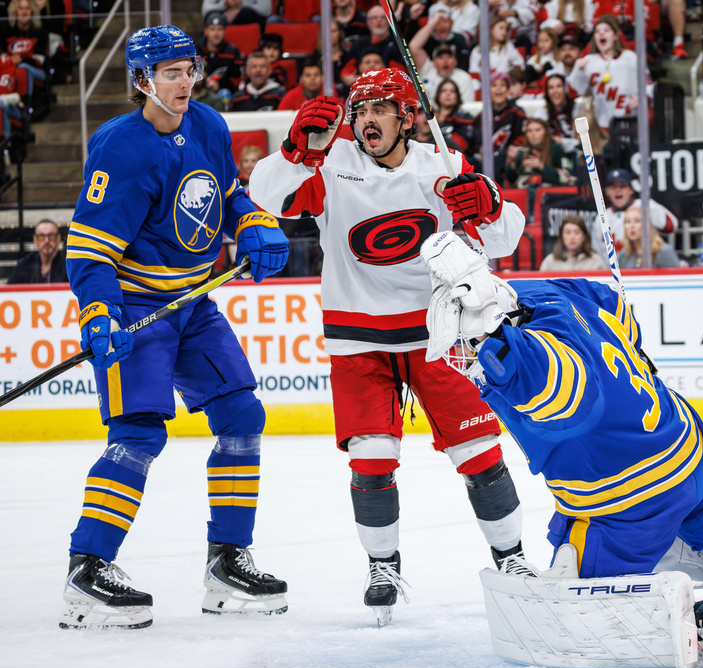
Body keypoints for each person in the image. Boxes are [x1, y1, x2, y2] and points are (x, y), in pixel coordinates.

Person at [418, 232, 703, 668]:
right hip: (692, 454)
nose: (461, 357)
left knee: (581, 615)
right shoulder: (545, 291)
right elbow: (615, 307)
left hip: (633, 501)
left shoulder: (527, 364)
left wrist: (492, 340)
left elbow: (550, 382)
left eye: (463, 343)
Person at [247, 68, 534, 627]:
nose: (367, 120)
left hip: (437, 331)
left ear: (407, 117)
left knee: (480, 454)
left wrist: (491, 204)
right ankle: (383, 566)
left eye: (381, 109)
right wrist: (294, 149)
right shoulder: (330, 166)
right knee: (371, 459)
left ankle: (513, 560)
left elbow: (504, 240)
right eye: (361, 111)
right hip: (358, 337)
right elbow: (265, 194)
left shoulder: (442, 165)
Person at [58, 25, 290, 630]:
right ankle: (87, 570)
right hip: (137, 309)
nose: (185, 81)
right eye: (171, 72)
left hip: (194, 303)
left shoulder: (210, 125)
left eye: (189, 69)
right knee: (139, 434)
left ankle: (227, 562)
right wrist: (98, 311)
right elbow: (87, 250)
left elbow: (228, 195)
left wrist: (252, 221)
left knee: (242, 414)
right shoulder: (119, 147)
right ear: (142, 80)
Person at [566, 15, 651, 138]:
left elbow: (648, 85)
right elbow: (574, 93)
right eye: (597, 32)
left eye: (606, 31)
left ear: (615, 36)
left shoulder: (630, 58)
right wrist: (577, 70)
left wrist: (642, 98)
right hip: (600, 126)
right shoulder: (589, 61)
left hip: (629, 122)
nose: (601, 34)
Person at [470, 71, 526, 186]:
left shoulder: (517, 113)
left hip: (508, 161)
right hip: (484, 162)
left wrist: (512, 151)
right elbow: (474, 143)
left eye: (502, 85)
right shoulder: (482, 116)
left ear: (507, 89)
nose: (498, 89)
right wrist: (479, 150)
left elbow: (523, 138)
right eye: (494, 85)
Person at [603, 167, 677, 249]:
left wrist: (649, 211)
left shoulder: (645, 205)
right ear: (606, 191)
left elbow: (671, 226)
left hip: (646, 258)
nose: (618, 190)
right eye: (613, 187)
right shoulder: (603, 217)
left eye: (623, 186)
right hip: (620, 259)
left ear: (631, 190)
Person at [409, 16, 476, 105]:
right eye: (440, 57)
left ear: (455, 62)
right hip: (426, 117)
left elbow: (468, 107)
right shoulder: (427, 69)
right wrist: (434, 22)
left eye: (449, 57)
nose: (445, 61)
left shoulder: (464, 78)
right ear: (434, 62)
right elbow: (413, 47)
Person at [504, 118, 574, 188]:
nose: (533, 134)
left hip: (550, 194)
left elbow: (567, 177)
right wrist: (513, 161)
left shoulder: (555, 149)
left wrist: (541, 166)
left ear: (545, 132)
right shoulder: (522, 151)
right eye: (529, 131)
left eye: (537, 130)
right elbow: (511, 180)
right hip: (525, 193)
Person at [195, 12, 243, 103]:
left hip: (224, 93)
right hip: (199, 91)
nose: (216, 33)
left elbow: (237, 79)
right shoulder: (196, 51)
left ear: (225, 31)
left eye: (219, 29)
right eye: (212, 29)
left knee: (224, 94)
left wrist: (220, 84)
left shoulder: (232, 51)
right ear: (206, 31)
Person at [616, 204, 682, 268]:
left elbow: (676, 278)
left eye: (637, 221)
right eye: (628, 222)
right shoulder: (624, 255)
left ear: (647, 225)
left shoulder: (664, 252)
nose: (631, 226)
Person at [6, 219, 67, 284]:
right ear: (35, 239)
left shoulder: (67, 266)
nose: (46, 241)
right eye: (41, 236)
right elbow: (10, 289)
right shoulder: (25, 265)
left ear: (58, 238)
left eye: (51, 235)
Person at [540, 215, 607, 271]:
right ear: (561, 236)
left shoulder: (596, 261)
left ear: (584, 236)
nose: (572, 237)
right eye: (568, 232)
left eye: (577, 232)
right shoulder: (550, 261)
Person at [468, 16, 525, 83]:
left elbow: (520, 65)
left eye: (506, 29)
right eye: (501, 28)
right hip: (485, 86)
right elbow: (474, 74)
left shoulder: (508, 46)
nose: (504, 32)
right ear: (491, 29)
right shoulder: (478, 50)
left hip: (505, 85)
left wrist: (509, 74)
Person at [536, 73, 578, 153]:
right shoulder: (541, 114)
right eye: (551, 87)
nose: (555, 91)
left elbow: (585, 140)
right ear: (547, 92)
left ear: (565, 89)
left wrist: (562, 142)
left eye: (559, 86)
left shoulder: (578, 109)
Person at [434, 77, 474, 153]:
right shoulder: (428, 118)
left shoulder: (464, 118)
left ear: (457, 96)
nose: (448, 94)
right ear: (438, 95)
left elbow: (462, 146)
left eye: (452, 91)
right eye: (444, 91)